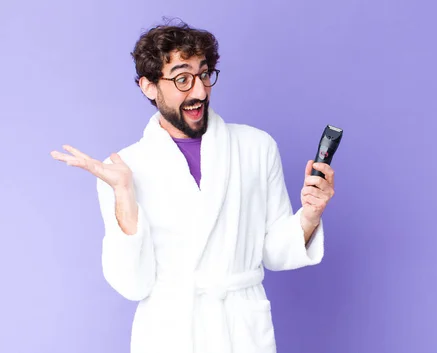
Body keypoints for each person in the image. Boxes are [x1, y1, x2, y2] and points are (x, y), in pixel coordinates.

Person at [50, 20, 335, 353]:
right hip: (169, 334)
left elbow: (274, 252)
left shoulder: (257, 147)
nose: (199, 91)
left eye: (204, 75)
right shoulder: (123, 170)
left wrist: (310, 216)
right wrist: (124, 195)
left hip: (240, 332)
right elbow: (132, 285)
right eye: (182, 79)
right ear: (149, 87)